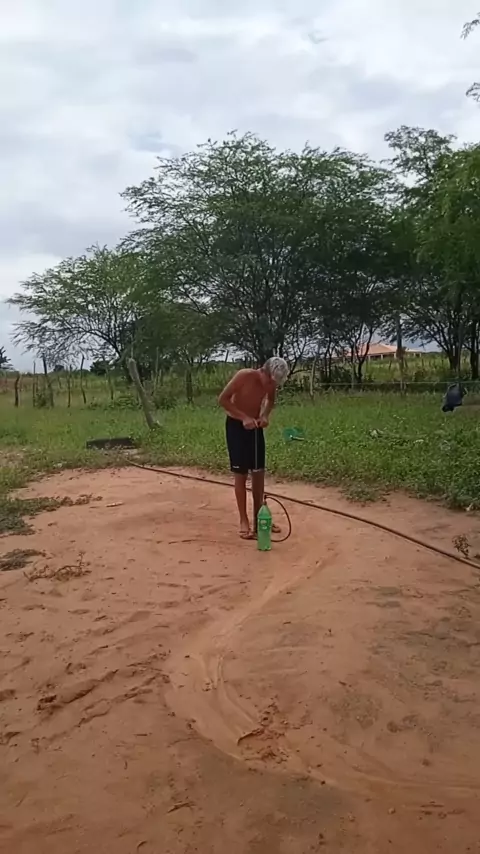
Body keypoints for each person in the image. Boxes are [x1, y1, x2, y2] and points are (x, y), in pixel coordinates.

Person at [218, 356, 289, 539]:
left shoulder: (271, 383)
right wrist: (243, 417)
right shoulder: (244, 376)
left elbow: (270, 401)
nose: (271, 386)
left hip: (255, 427)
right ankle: (244, 520)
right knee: (240, 474)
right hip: (236, 426)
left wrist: (264, 416)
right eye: (270, 381)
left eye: (275, 384)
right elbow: (223, 400)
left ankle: (260, 518)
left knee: (258, 473)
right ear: (263, 372)